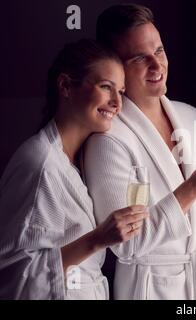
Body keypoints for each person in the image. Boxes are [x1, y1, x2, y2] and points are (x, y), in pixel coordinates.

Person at [83, 4, 196, 300]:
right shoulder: (107, 142)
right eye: (139, 57)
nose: (156, 65)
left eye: (159, 51)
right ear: (116, 67)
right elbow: (126, 245)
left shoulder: (190, 116)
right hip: (152, 289)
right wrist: (192, 188)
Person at [0, 39, 149, 299]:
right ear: (66, 86)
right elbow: (12, 276)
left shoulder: (80, 158)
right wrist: (97, 239)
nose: (117, 102)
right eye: (106, 87)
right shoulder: (39, 164)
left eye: (121, 92)